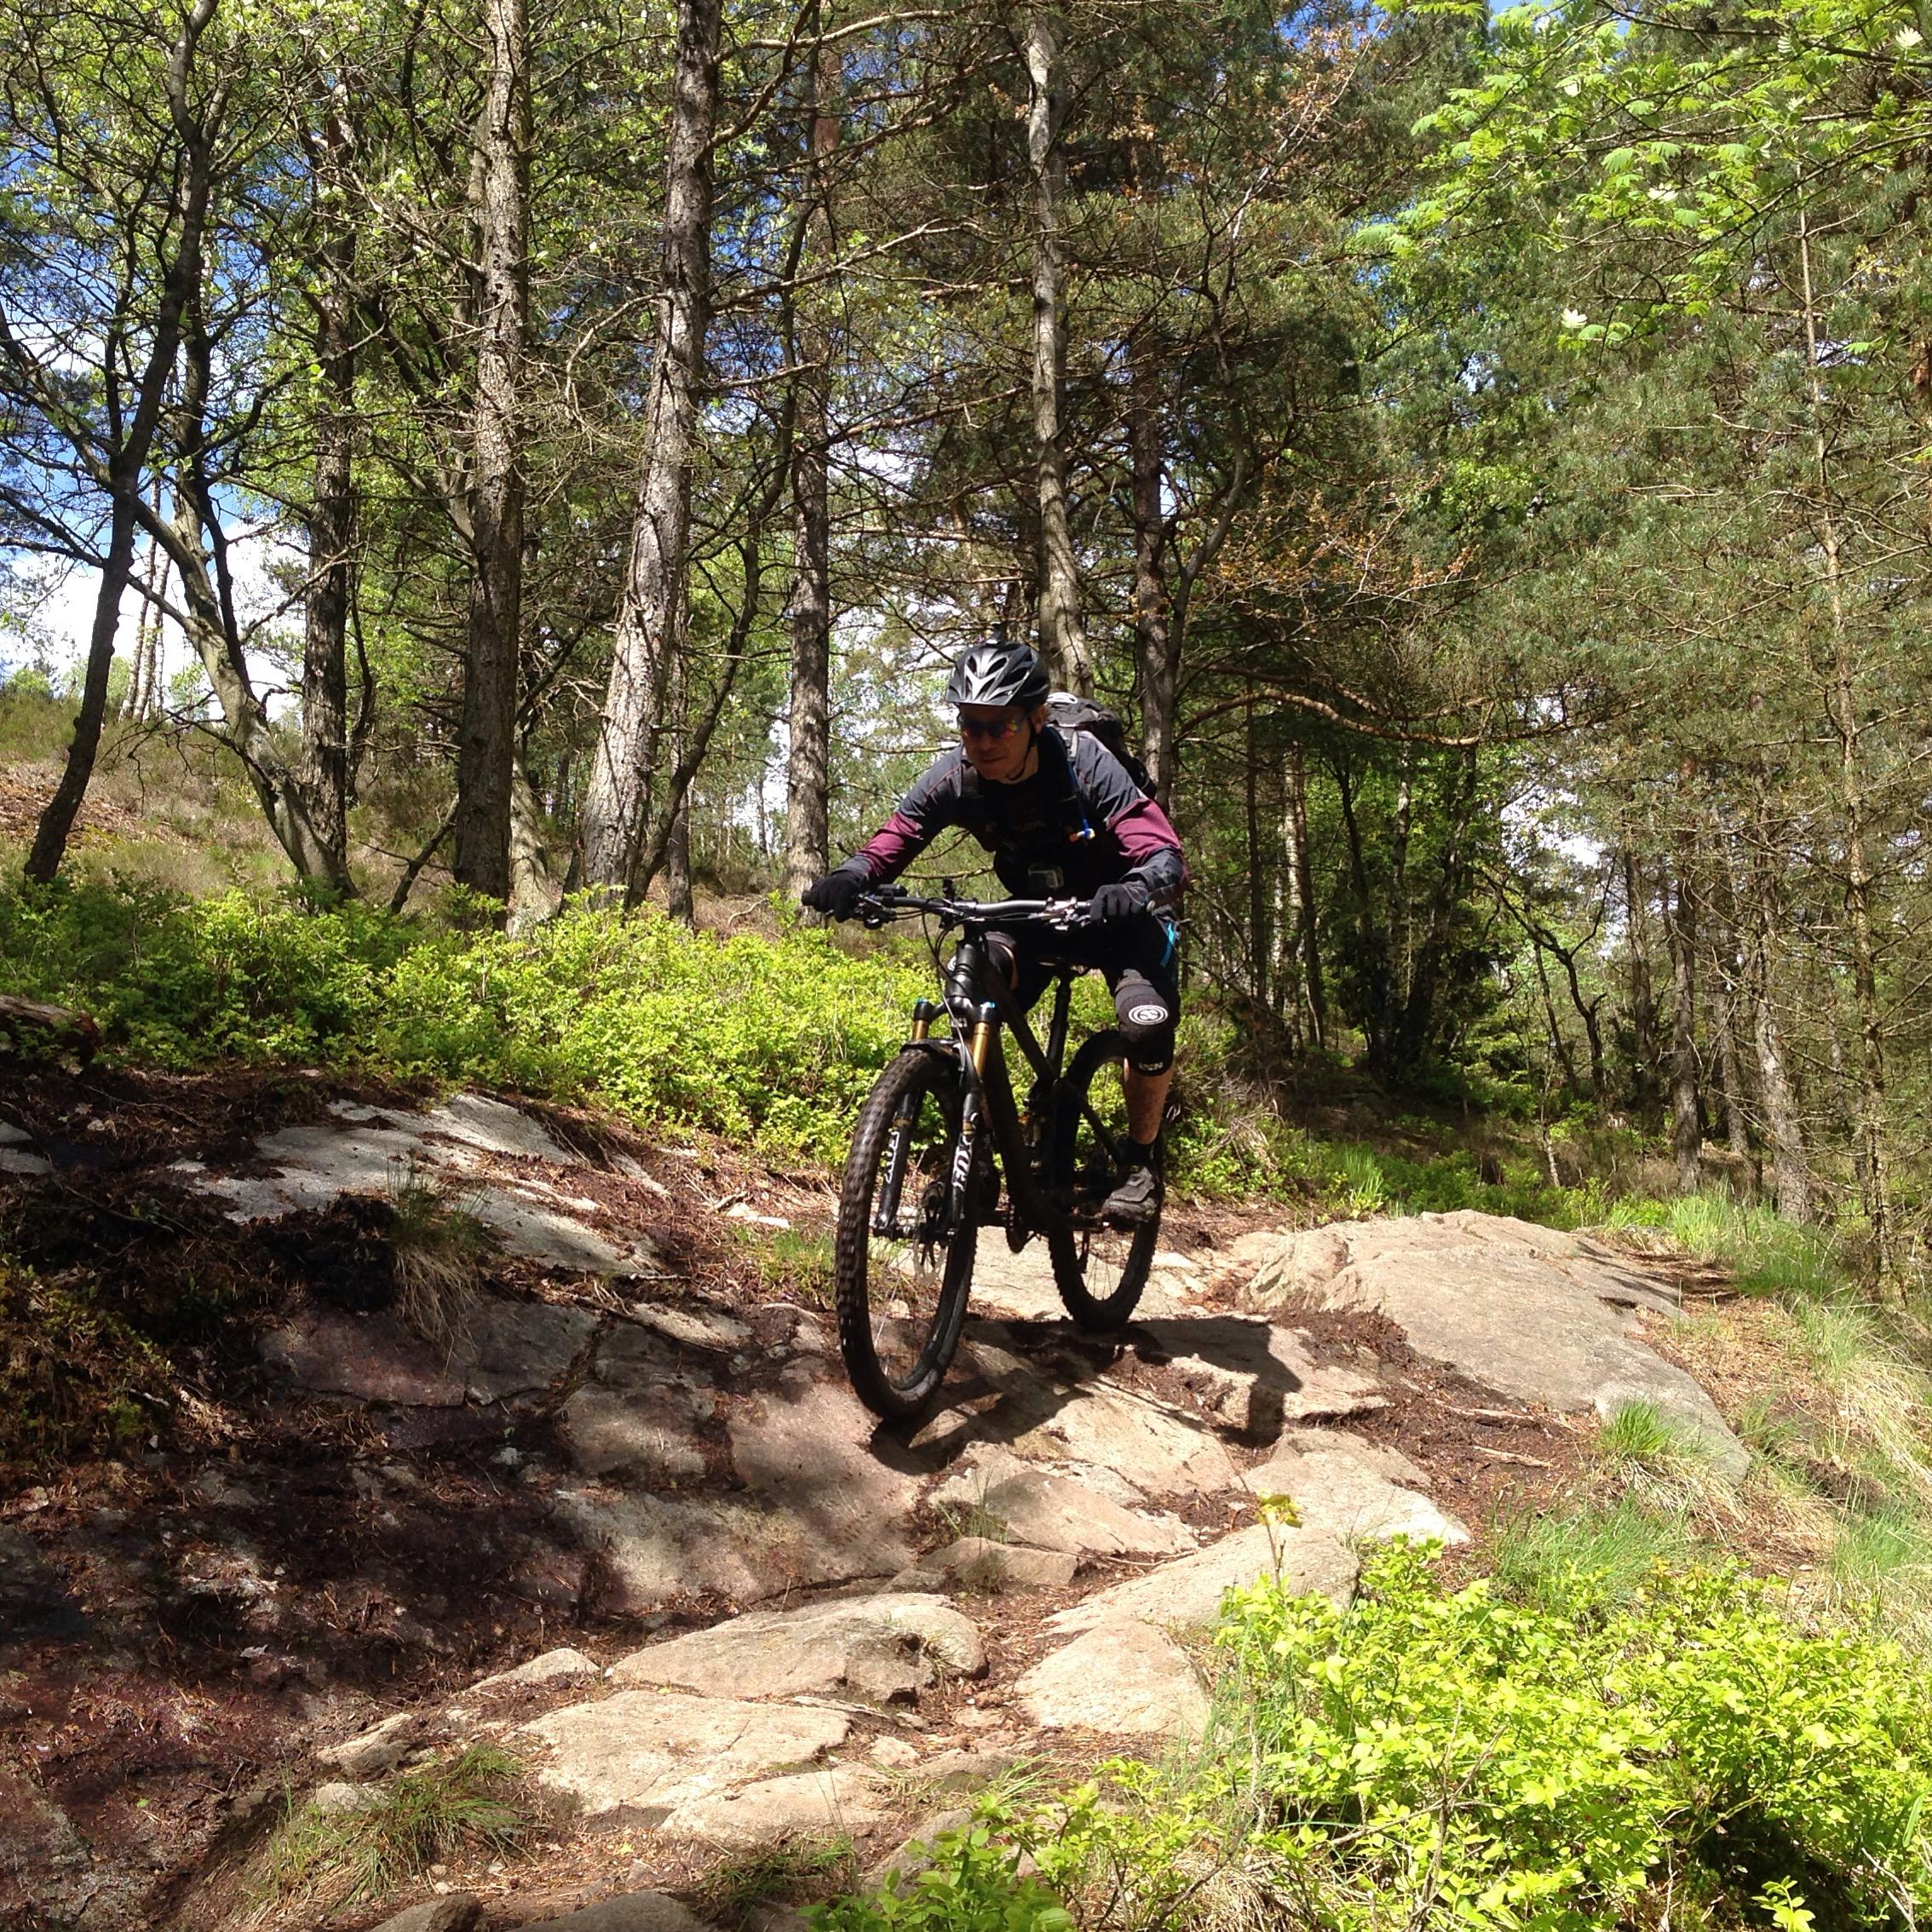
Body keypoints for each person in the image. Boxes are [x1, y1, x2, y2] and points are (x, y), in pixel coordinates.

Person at [802, 634, 1187, 1226]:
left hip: (1122, 914)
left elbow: (1162, 852)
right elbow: (896, 837)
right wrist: (852, 875)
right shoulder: (956, 776)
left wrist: (1135, 888)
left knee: (1146, 1024)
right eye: (969, 727)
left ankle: (1139, 1164)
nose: (981, 742)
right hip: (1039, 912)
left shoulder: (1087, 764)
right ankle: (976, 1151)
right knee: (974, 979)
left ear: (1035, 719)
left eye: (997, 727)